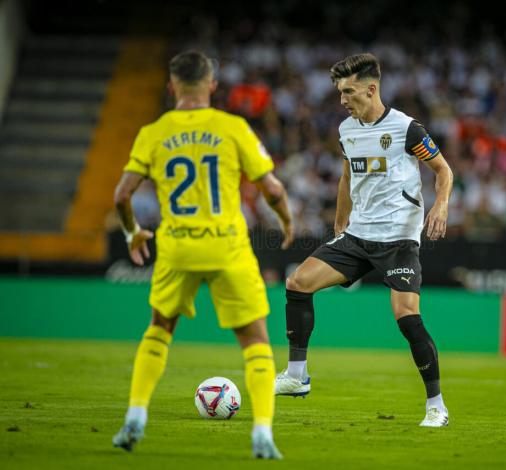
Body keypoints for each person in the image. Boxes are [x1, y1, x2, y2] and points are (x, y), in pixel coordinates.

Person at [111, 50, 293, 459]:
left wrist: (132, 232)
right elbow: (274, 190)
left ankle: (136, 416)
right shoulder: (232, 128)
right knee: (255, 340)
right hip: (228, 247)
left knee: (159, 329)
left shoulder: (153, 132)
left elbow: (121, 194)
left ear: (172, 86)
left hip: (177, 248)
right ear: (212, 86)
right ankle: (263, 432)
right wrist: (286, 222)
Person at [275, 53, 454, 427]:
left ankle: (436, 406)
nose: (342, 99)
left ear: (371, 89)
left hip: (398, 240)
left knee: (406, 315)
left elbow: (443, 170)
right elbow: (346, 176)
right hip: (358, 235)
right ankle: (296, 376)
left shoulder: (407, 129)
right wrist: (341, 219)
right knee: (298, 282)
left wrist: (441, 205)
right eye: (340, 92)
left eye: (348, 91)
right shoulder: (347, 130)